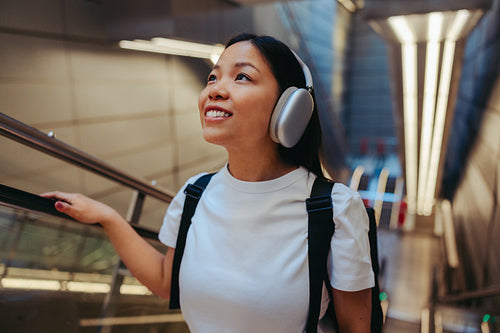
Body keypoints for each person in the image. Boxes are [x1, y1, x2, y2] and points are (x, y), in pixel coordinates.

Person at [42, 33, 374, 332]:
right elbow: (165, 282)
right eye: (212, 77)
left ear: (291, 106)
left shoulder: (334, 208)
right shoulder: (195, 193)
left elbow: (355, 327)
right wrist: (109, 218)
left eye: (242, 76)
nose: (214, 89)